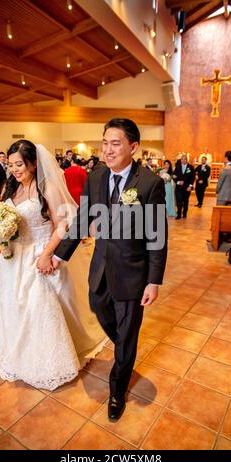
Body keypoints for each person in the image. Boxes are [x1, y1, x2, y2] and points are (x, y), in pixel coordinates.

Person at [38, 118, 168, 422]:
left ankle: (117, 389)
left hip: (134, 273)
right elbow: (83, 219)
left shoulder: (150, 183)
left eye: (116, 143)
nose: (108, 150)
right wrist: (59, 255)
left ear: (133, 147)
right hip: (101, 268)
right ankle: (125, 349)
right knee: (100, 309)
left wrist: (154, 281)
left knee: (127, 334)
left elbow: (157, 236)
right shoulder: (96, 177)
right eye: (105, 142)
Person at [0, 140, 107, 391]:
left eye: (19, 164)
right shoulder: (8, 188)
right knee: (15, 306)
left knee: (39, 306)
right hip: (14, 257)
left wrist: (46, 255)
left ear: (34, 163)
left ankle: (49, 359)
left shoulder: (48, 188)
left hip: (40, 252)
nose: (14, 169)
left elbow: (62, 226)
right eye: (10, 164)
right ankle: (20, 353)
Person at [173, 153, 195, 219]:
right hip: (179, 188)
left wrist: (190, 186)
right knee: (179, 200)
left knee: (185, 201)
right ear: (180, 160)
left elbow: (192, 178)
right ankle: (179, 213)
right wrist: (178, 182)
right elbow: (174, 176)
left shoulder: (191, 167)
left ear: (187, 160)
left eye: (185, 159)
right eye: (182, 159)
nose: (183, 160)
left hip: (187, 188)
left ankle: (185, 212)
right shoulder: (177, 167)